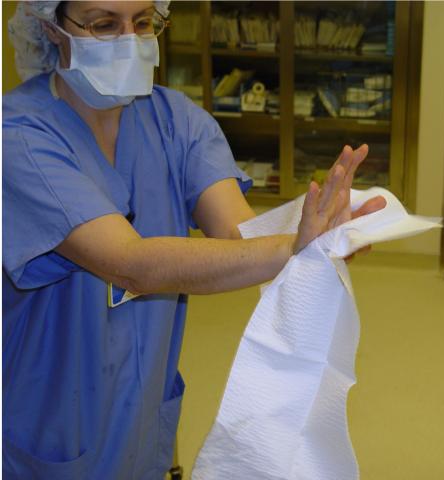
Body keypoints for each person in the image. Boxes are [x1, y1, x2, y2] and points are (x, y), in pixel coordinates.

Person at [2, 1, 385, 478]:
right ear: (51, 27)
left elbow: (239, 234)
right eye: (104, 25)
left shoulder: (177, 121)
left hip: (140, 407)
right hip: (50, 414)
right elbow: (129, 264)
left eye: (143, 23)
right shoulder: (16, 136)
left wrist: (325, 234)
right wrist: (292, 247)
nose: (130, 40)